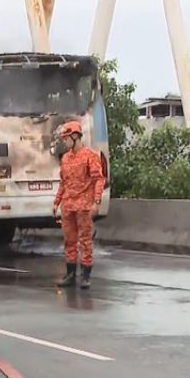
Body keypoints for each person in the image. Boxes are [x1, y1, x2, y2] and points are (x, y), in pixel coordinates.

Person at [53, 120, 106, 289]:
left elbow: (99, 180)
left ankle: (85, 276)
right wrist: (56, 202)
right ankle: (70, 274)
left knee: (85, 241)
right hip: (68, 206)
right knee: (69, 241)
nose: (65, 141)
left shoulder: (90, 155)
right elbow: (63, 183)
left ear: (75, 136)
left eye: (66, 138)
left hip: (84, 206)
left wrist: (96, 201)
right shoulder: (65, 158)